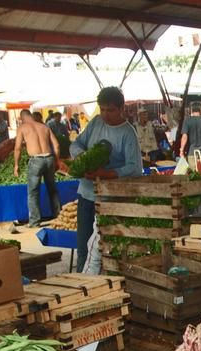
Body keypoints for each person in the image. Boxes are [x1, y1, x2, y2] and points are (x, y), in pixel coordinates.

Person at [70, 87, 144, 272]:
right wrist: (81, 155)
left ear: (121, 109)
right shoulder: (96, 122)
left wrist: (105, 174)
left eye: (110, 110)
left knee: (100, 248)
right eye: (102, 109)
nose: (105, 114)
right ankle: (81, 282)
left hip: (109, 199)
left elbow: (134, 168)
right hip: (86, 195)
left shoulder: (128, 133)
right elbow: (76, 143)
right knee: (82, 247)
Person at [14, 109, 62, 228]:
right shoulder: (44, 127)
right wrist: (57, 160)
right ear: (31, 116)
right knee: (52, 189)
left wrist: (16, 165)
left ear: (22, 118)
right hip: (49, 158)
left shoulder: (22, 128)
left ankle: (35, 221)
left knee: (33, 192)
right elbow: (56, 145)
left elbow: (18, 148)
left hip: (36, 160)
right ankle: (59, 215)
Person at [178, 102, 201, 170]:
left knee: (194, 174)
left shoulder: (187, 122)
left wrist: (181, 150)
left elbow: (184, 136)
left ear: (191, 110)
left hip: (192, 153)